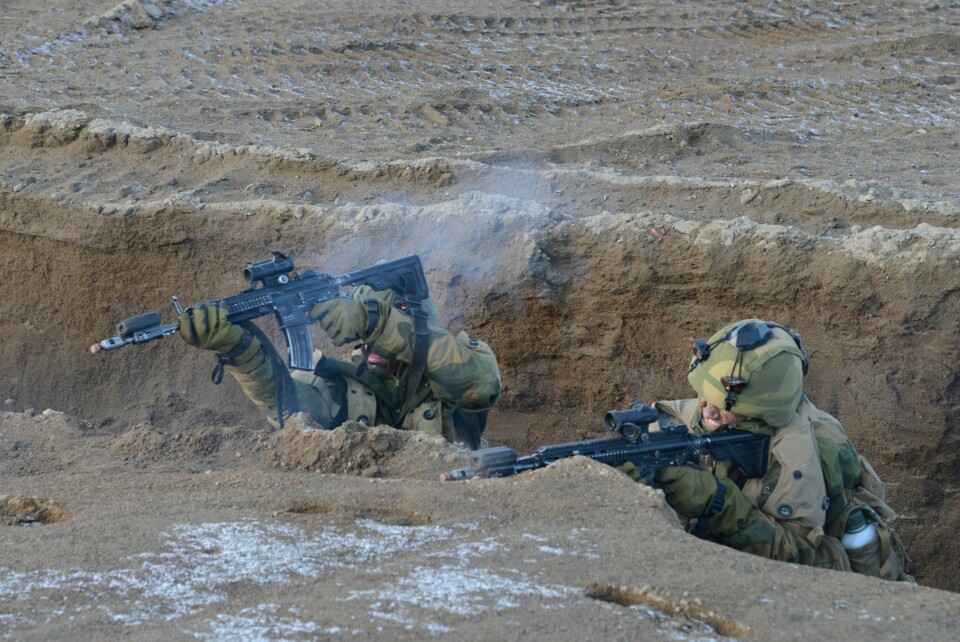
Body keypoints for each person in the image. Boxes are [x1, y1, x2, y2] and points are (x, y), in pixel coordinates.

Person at [620, 319, 913, 581]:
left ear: (764, 410)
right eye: (704, 394)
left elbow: (796, 554)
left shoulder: (803, 452)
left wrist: (715, 500)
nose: (706, 408)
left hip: (833, 572)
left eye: (722, 403)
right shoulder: (700, 418)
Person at [176, 284, 501, 449]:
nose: (369, 344)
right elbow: (289, 409)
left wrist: (375, 321)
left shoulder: (453, 373)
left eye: (379, 336)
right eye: (364, 335)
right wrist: (240, 350)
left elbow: (480, 385)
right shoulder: (339, 380)